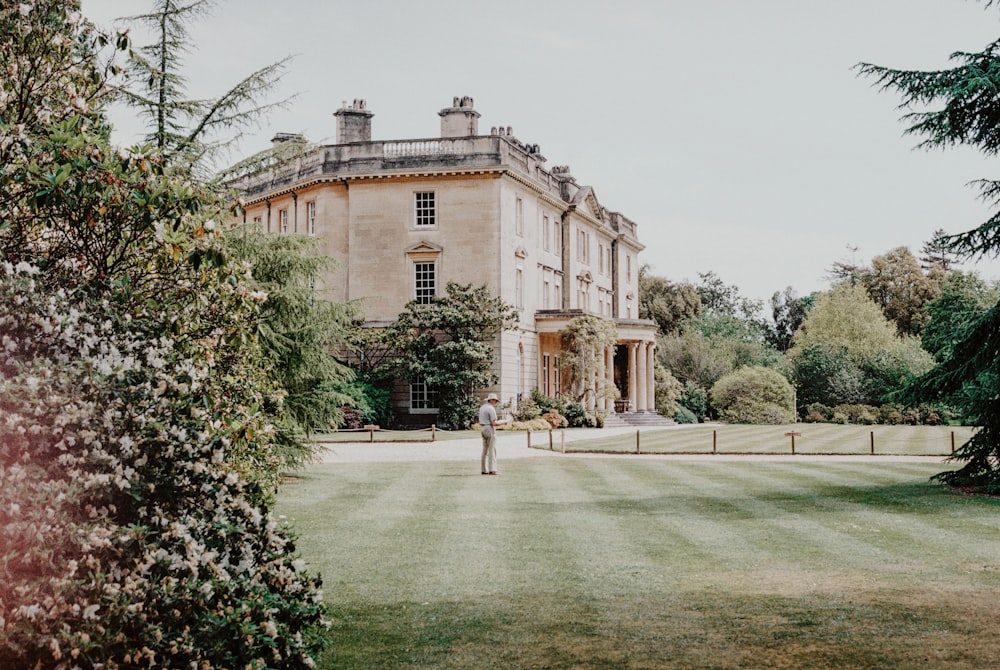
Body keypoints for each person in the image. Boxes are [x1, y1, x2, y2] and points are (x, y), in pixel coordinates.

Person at [478, 393, 507, 475]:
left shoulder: (482, 407)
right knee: (492, 449)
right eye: (495, 400)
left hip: (483, 428)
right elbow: (493, 423)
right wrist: (503, 422)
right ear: (491, 400)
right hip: (489, 428)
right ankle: (493, 469)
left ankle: (483, 469)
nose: (495, 402)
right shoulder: (491, 409)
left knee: (484, 450)